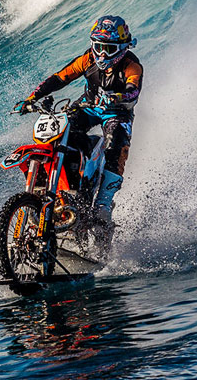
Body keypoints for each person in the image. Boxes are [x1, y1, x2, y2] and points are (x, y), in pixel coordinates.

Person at [15, 15, 142, 235]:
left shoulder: (132, 66)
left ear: (122, 47)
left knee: (115, 146)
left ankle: (102, 205)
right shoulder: (87, 60)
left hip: (117, 113)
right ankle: (62, 188)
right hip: (87, 106)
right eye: (99, 46)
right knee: (59, 131)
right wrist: (31, 98)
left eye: (108, 48)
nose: (102, 53)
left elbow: (133, 91)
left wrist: (116, 98)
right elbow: (59, 78)